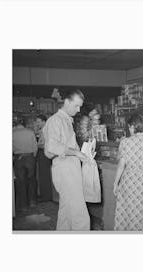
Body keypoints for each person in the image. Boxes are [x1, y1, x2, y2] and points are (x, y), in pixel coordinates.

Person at [43, 89, 91, 231]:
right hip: (65, 170)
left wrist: (81, 154)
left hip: (69, 169)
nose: (78, 110)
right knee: (79, 215)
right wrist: (76, 153)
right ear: (66, 102)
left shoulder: (67, 120)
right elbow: (52, 147)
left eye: (80, 106)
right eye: (76, 106)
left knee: (66, 213)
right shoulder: (55, 120)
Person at [113, 114, 143, 231]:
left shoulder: (125, 142)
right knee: (142, 210)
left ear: (133, 126)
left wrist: (115, 183)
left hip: (128, 181)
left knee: (127, 211)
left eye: (129, 127)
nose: (129, 130)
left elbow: (121, 165)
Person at [13, 117, 38, 212]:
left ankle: (23, 205)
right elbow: (35, 146)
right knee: (31, 180)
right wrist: (32, 157)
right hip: (30, 157)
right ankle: (32, 202)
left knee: (21, 182)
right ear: (24, 123)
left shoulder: (12, 133)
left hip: (18, 158)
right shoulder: (30, 132)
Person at [35, 114, 53, 202]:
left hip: (44, 153)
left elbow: (45, 144)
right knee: (43, 175)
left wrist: (36, 145)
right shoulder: (43, 130)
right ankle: (45, 196)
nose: (37, 123)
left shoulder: (45, 130)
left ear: (44, 122)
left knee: (44, 176)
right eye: (36, 122)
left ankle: (46, 197)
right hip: (43, 153)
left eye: (38, 122)